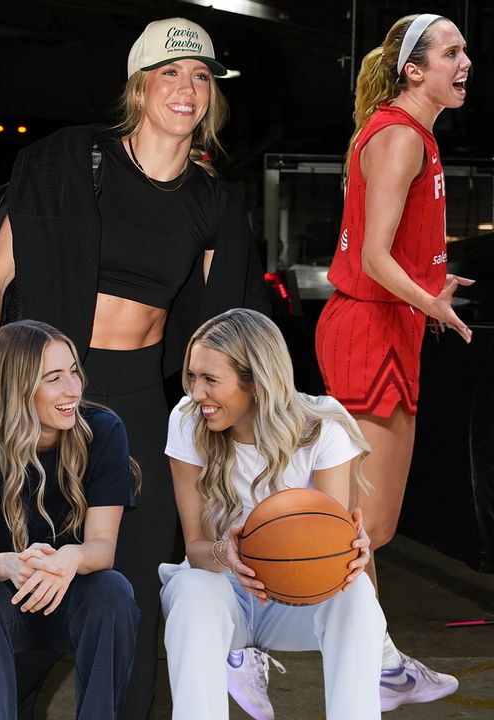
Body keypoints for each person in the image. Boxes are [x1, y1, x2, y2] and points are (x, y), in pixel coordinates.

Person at [0, 17, 268, 719]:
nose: (187, 90)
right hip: (44, 403)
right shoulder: (74, 165)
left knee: (127, 596)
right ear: (139, 86)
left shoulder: (212, 202)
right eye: (171, 74)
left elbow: (221, 330)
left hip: (136, 403)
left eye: (200, 78)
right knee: (28, 588)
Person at [315, 13, 471, 710]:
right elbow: (373, 258)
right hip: (368, 327)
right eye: (451, 52)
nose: (465, 62)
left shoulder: (413, 134)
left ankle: (367, 656)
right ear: (414, 70)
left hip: (388, 324)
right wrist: (429, 303)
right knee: (359, 525)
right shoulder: (401, 138)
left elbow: (394, 253)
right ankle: (352, 655)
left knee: (368, 526)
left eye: (466, 51)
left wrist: (429, 288)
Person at [162, 308, 382, 719]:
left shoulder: (322, 429)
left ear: (257, 383)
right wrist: (229, 555)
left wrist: (352, 558)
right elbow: (195, 548)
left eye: (210, 380)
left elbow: (335, 547)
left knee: (357, 601)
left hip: (294, 601)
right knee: (192, 591)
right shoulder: (187, 420)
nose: (195, 393)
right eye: (192, 376)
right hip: (225, 591)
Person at [0, 320, 139, 719]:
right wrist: (9, 563)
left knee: (113, 591)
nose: (72, 389)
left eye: (73, 372)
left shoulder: (103, 430)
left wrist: (68, 560)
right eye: (54, 378)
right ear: (19, 388)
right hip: (4, 593)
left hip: (71, 593)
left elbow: (103, 548)